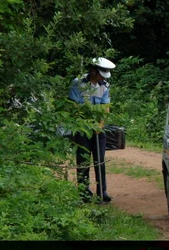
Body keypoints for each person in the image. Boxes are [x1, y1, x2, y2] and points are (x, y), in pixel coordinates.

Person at [68, 57, 116, 203]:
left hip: (98, 130)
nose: (103, 77)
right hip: (82, 129)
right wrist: (86, 124)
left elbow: (105, 108)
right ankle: (84, 192)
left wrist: (99, 126)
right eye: (101, 73)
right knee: (83, 161)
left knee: (100, 160)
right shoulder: (77, 83)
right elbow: (74, 106)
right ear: (94, 71)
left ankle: (102, 191)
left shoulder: (105, 86)